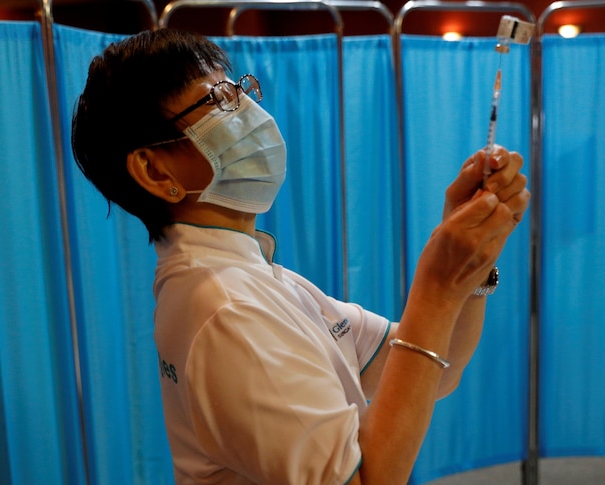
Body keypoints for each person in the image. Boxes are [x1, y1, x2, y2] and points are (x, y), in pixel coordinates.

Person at [71, 28, 529, 485]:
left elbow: (434, 368)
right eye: (219, 99)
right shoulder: (227, 310)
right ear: (155, 170)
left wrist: (473, 265)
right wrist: (437, 285)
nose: (250, 111)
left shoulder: (253, 279)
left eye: (240, 89)